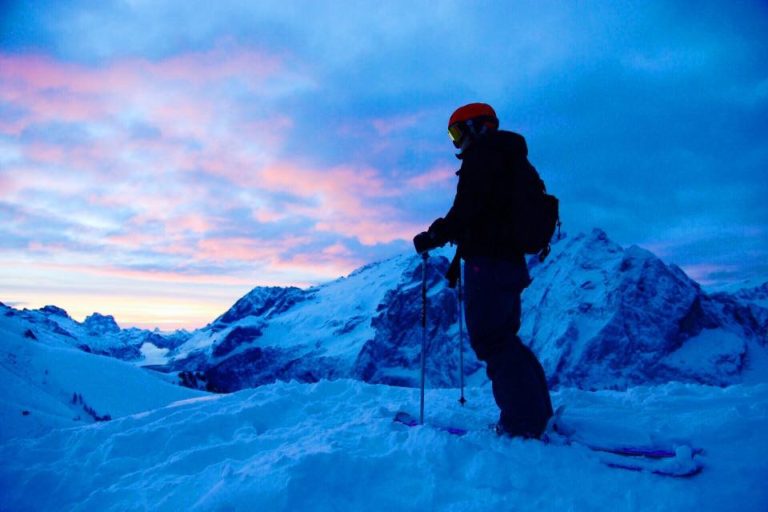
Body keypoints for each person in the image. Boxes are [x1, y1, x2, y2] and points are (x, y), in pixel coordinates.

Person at [413, 102, 554, 439]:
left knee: (491, 340)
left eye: (457, 131)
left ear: (478, 127)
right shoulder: (510, 160)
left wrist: (435, 236)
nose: (455, 142)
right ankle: (536, 412)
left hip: (488, 265)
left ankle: (523, 423)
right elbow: (485, 215)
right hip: (508, 263)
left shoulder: (483, 159)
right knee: (504, 338)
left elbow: (466, 213)